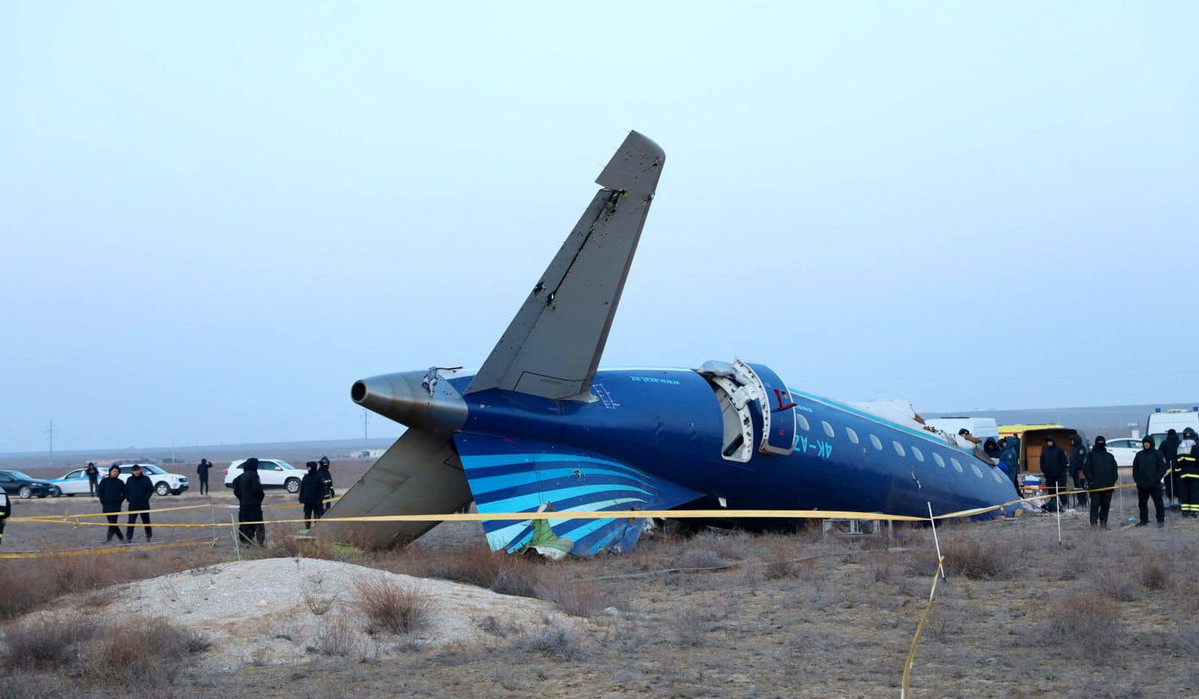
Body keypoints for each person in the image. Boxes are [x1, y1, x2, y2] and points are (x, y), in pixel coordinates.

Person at [1083, 436, 1119, 528]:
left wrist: (1112, 481)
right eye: (1099, 442)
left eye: (1102, 442)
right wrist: (1092, 481)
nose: (1100, 444)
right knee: (1094, 506)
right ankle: (1094, 525)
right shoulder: (1090, 456)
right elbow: (1086, 470)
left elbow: (1115, 470)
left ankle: (1103, 524)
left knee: (1105, 506)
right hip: (1095, 487)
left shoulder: (1110, 457)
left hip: (1108, 487)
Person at [1131, 436, 1168, 527]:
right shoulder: (1139, 455)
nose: (1146, 444)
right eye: (1144, 442)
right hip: (1142, 485)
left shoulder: (1158, 454)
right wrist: (1137, 480)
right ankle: (1143, 520)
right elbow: (1135, 467)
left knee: (1158, 503)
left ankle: (1160, 520)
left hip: (1154, 484)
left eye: (1148, 442)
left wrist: (1157, 478)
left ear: (1151, 443)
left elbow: (1163, 467)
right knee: (1142, 504)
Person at [232, 457, 266, 546]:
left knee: (245, 526)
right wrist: (259, 499)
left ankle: (246, 543)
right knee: (259, 526)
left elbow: (235, 487)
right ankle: (260, 544)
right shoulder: (254, 475)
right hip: (254, 506)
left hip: (243, 506)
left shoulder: (241, 476)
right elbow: (258, 490)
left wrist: (242, 498)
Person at [124, 464, 154, 542]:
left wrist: (145, 498)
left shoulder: (146, 478)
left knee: (146, 521)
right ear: (132, 471)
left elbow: (151, 489)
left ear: (140, 470)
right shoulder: (129, 479)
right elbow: (126, 490)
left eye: (137, 470)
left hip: (143, 504)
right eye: (134, 471)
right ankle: (129, 537)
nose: (136, 472)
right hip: (133, 505)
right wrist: (129, 499)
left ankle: (148, 536)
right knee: (131, 522)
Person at [96, 465, 126, 542]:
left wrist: (120, 500)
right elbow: (99, 492)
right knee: (112, 522)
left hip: (116, 506)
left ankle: (109, 539)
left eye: (117, 472)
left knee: (112, 522)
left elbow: (125, 493)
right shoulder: (104, 481)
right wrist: (103, 501)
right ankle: (121, 538)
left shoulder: (120, 482)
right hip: (106, 505)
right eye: (114, 471)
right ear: (110, 471)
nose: (115, 473)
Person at [1040, 435, 1069, 512]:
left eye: (1050, 441)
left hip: (1059, 476)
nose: (1049, 443)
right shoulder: (1045, 451)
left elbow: (1063, 463)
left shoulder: (1059, 450)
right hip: (1049, 476)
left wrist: (1058, 472)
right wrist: (1045, 471)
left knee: (1061, 491)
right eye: (1048, 442)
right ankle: (1054, 505)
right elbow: (1042, 462)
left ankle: (1064, 504)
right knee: (1052, 492)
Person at [1177, 429, 1199, 518]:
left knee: (1184, 493)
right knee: (1194, 493)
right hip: (1194, 474)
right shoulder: (1195, 447)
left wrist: (1178, 473)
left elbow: (1178, 461)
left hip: (1183, 474)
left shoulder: (1180, 447)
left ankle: (1185, 512)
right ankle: (1194, 511)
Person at [299, 461, 324, 528]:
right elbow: (302, 488)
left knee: (317, 517)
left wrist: (320, 499)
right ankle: (307, 528)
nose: (308, 468)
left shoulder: (319, 477)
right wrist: (301, 498)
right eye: (308, 467)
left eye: (310, 467)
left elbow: (322, 489)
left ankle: (317, 528)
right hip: (307, 501)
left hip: (317, 502)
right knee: (307, 516)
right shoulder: (306, 477)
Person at [1160, 428, 1181, 503]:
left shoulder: (1164, 443)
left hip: (1168, 468)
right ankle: (1179, 500)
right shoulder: (1180, 443)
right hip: (1179, 467)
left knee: (1169, 484)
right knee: (1178, 483)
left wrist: (1164, 464)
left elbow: (1160, 455)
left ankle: (1170, 499)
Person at [1068, 434, 1089, 509]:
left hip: (1080, 472)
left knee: (1081, 487)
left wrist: (1075, 467)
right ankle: (1080, 501)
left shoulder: (1081, 449)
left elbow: (1080, 461)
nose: (1072, 442)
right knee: (1077, 487)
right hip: (1075, 472)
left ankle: (1083, 502)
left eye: (1072, 440)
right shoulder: (1075, 448)